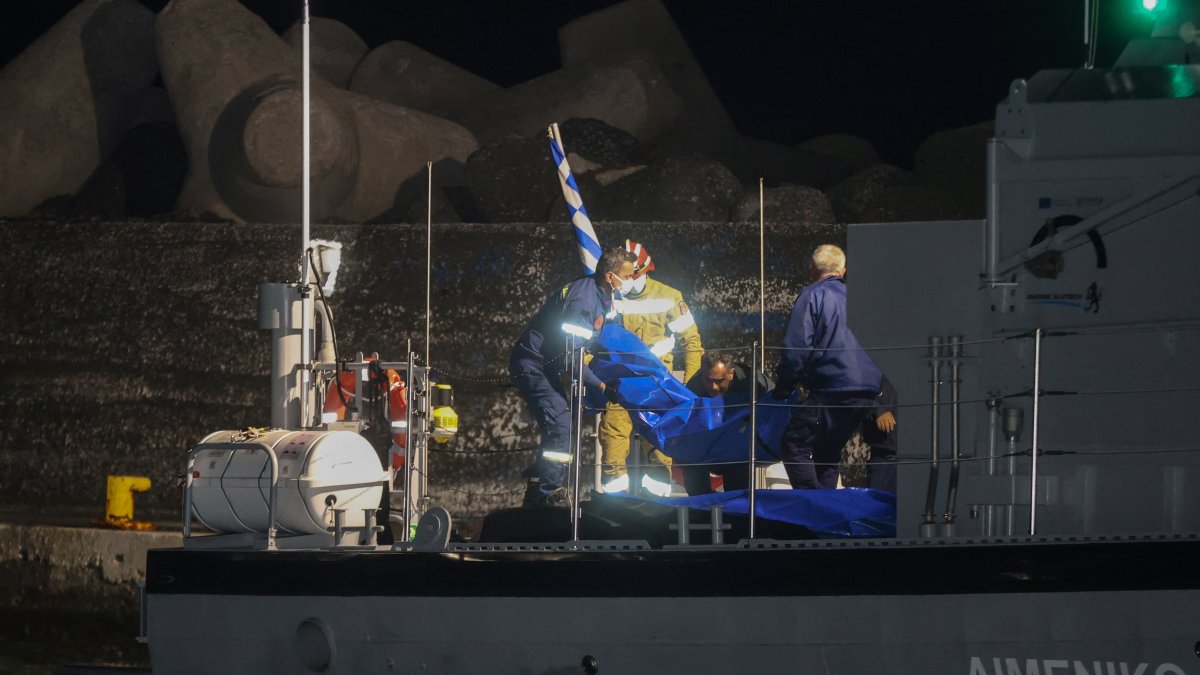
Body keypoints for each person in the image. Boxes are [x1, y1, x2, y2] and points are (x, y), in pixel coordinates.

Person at [510, 246, 636, 507]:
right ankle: (546, 493)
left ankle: (541, 483)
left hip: (546, 366)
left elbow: (608, 335)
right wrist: (602, 386)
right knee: (561, 428)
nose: (631, 280)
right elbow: (572, 356)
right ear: (611, 276)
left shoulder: (603, 295)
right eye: (629, 275)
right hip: (534, 365)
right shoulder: (584, 299)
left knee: (561, 427)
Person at [772, 244, 883, 489]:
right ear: (843, 270)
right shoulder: (861, 300)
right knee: (827, 451)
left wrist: (784, 385)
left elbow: (797, 347)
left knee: (794, 444)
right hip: (867, 392)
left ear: (812, 269)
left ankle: (812, 506)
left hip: (832, 388)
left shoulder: (813, 295)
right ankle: (827, 511)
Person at [598, 240, 703, 497]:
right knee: (613, 440)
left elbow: (692, 342)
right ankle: (614, 506)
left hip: (657, 387)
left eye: (630, 275)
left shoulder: (669, 297)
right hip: (620, 383)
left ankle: (657, 506)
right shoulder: (609, 297)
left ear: (643, 271)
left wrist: (691, 387)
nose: (626, 281)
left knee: (660, 449)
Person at [682, 351, 772, 495]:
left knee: (737, 467)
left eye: (719, 380)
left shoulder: (752, 383)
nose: (714, 387)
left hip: (743, 436)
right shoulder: (694, 388)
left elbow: (771, 411)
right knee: (688, 455)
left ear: (731, 374)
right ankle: (701, 506)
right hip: (709, 437)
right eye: (708, 380)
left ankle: (736, 507)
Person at [861, 375, 898, 493]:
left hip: (918, 454)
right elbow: (860, 389)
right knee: (880, 504)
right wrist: (879, 409)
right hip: (885, 454)